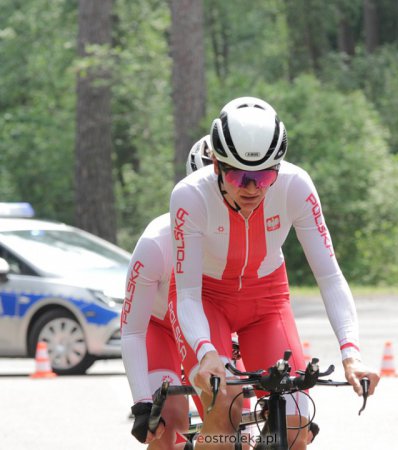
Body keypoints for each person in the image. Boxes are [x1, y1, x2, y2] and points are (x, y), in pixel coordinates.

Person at [169, 97, 380, 450]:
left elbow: (329, 276)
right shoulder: (190, 195)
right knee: (225, 410)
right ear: (217, 164)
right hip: (206, 300)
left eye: (265, 175)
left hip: (266, 301)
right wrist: (206, 352)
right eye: (239, 176)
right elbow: (187, 294)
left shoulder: (296, 185)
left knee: (297, 424)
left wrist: (351, 354)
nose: (252, 187)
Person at [121, 136, 213, 449]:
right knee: (171, 420)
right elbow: (132, 330)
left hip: (210, 331)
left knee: (234, 418)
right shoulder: (155, 244)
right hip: (159, 329)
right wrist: (141, 404)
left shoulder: (241, 236)